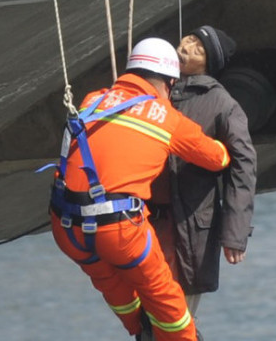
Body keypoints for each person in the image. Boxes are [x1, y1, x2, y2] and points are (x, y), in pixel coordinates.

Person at [48, 37, 231, 341]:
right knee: (164, 297)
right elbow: (215, 159)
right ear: (168, 82)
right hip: (118, 230)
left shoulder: (92, 99)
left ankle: (138, 330)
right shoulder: (168, 118)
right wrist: (226, 150)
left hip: (66, 225)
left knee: (112, 284)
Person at [144, 26, 257, 339]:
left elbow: (243, 166)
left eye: (200, 46)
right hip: (144, 223)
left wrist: (235, 234)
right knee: (146, 319)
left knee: (175, 319)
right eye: (191, 37)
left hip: (191, 227)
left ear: (209, 62)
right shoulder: (155, 89)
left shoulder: (221, 103)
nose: (190, 43)